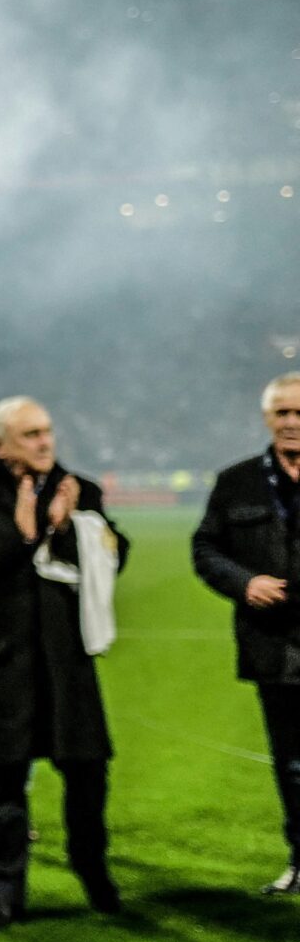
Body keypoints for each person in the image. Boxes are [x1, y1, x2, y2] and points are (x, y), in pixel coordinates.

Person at [0, 397, 128, 930]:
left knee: (88, 777)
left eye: (46, 431)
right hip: (3, 666)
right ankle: (4, 897)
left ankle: (96, 877)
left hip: (69, 667)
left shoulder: (79, 491)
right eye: (30, 434)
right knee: (4, 787)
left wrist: (66, 530)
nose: (45, 442)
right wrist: (18, 534)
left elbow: (116, 555)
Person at [191, 372, 300, 895]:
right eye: (283, 413)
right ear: (267, 419)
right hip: (273, 647)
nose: (292, 423)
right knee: (292, 764)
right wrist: (244, 581)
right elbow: (205, 549)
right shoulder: (236, 482)